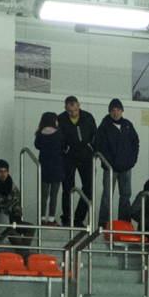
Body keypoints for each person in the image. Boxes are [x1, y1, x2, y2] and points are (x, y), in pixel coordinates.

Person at [93, 99, 139, 225]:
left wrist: (132, 160)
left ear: (122, 111)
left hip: (126, 168)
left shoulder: (128, 125)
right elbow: (99, 146)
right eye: (113, 110)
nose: (116, 113)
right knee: (107, 197)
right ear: (109, 112)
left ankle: (124, 223)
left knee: (126, 196)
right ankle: (104, 224)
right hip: (110, 168)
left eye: (118, 110)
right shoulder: (104, 126)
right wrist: (109, 162)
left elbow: (135, 142)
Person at [58, 96, 97, 228]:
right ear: (65, 108)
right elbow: (58, 139)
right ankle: (67, 218)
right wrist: (66, 150)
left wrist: (91, 149)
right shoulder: (61, 119)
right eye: (70, 111)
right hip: (69, 158)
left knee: (89, 188)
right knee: (68, 188)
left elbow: (95, 135)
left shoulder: (88, 117)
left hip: (86, 157)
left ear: (79, 106)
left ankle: (79, 218)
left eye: (75, 110)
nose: (74, 113)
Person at [0, 159, 27, 248]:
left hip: (12, 219)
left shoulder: (12, 186)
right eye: (0, 171)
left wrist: (17, 217)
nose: (3, 174)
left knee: (30, 229)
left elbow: (16, 205)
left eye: (5, 171)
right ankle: (23, 253)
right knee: (11, 232)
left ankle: (21, 251)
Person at [34, 112, 64, 225]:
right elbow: (62, 145)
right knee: (54, 195)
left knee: (44, 195)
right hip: (56, 167)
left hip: (44, 168)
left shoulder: (40, 133)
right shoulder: (58, 133)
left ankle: (42, 217)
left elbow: (37, 145)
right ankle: (51, 218)